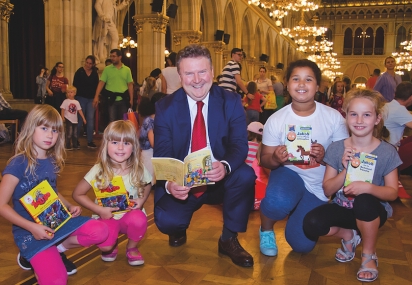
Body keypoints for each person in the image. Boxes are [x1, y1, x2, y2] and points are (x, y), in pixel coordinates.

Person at [153, 44, 256, 267]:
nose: (197, 79)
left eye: (202, 71)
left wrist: (226, 166)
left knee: (245, 175)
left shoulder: (230, 101)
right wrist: (170, 184)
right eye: (189, 73)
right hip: (184, 183)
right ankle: (178, 228)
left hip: (221, 178)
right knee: (167, 221)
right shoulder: (165, 107)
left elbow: (239, 145)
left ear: (212, 72)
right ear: (180, 75)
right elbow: (162, 152)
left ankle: (229, 238)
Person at [0, 105, 110, 284]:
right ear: (31, 128)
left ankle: (58, 249)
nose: (50, 135)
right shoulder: (18, 163)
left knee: (101, 231)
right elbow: (0, 205)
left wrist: (69, 206)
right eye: (44, 128)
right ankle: (34, 256)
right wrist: (32, 227)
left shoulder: (51, 160)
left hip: (55, 221)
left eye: (55, 130)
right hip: (29, 232)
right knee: (56, 281)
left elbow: (52, 192)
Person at [303, 89, 402, 282]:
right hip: (343, 208)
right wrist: (344, 170)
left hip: (372, 212)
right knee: (311, 224)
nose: (359, 120)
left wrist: (368, 188)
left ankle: (368, 255)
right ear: (346, 117)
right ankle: (349, 236)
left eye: (366, 115)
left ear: (376, 119)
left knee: (364, 201)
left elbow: (392, 193)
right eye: (353, 114)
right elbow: (328, 189)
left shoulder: (387, 152)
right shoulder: (337, 147)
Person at [258, 59, 348, 257]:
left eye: (308, 79)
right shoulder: (276, 119)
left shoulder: (334, 118)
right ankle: (266, 230)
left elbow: (344, 158)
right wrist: (276, 158)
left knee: (302, 245)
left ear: (317, 86)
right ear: (287, 84)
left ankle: (297, 207)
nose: (301, 84)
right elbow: (264, 159)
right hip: (289, 173)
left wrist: (325, 156)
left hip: (319, 184)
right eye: (295, 79)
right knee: (277, 202)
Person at [73, 120, 152, 265]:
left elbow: (147, 184)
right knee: (106, 247)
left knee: (139, 219)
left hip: (130, 216)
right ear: (105, 145)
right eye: (115, 142)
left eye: (126, 143)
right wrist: (99, 209)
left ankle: (131, 248)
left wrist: (141, 200)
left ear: (134, 147)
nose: (121, 147)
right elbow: (78, 194)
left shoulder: (138, 168)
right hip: (106, 218)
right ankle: (112, 244)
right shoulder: (99, 169)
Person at [93, 49, 134, 123]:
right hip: (111, 99)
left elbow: (130, 85)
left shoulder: (127, 70)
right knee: (112, 121)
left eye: (114, 56)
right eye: (111, 56)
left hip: (123, 99)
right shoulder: (107, 69)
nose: (112, 58)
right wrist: (96, 96)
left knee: (123, 121)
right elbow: (101, 83)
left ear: (120, 57)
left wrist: (131, 99)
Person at [138, 93, 167, 185]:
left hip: (150, 154)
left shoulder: (152, 119)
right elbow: (153, 143)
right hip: (149, 155)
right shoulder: (150, 121)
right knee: (149, 183)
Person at [73, 55, 99, 149]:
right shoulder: (79, 72)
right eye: (87, 63)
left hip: (91, 99)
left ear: (93, 64)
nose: (88, 65)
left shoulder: (95, 73)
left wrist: (96, 98)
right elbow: (74, 85)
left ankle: (90, 141)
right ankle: (76, 140)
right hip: (80, 98)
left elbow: (97, 86)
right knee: (80, 119)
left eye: (90, 63)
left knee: (90, 119)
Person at [60, 86, 87, 150]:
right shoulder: (65, 101)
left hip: (75, 120)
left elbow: (79, 110)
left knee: (75, 133)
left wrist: (83, 118)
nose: (70, 94)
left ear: (74, 93)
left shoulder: (76, 102)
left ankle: (75, 145)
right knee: (69, 133)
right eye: (68, 92)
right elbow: (63, 109)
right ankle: (67, 145)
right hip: (68, 119)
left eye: (71, 92)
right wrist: (62, 117)